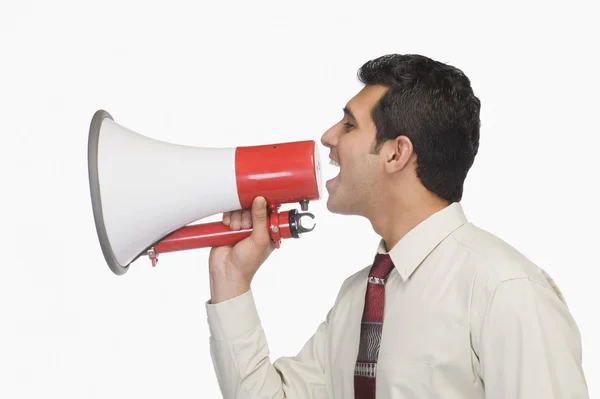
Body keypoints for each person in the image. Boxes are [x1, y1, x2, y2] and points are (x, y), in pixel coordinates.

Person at [205, 54, 589, 398]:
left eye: (349, 125)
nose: (328, 137)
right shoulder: (358, 297)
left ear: (396, 153)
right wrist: (232, 280)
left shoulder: (504, 290)